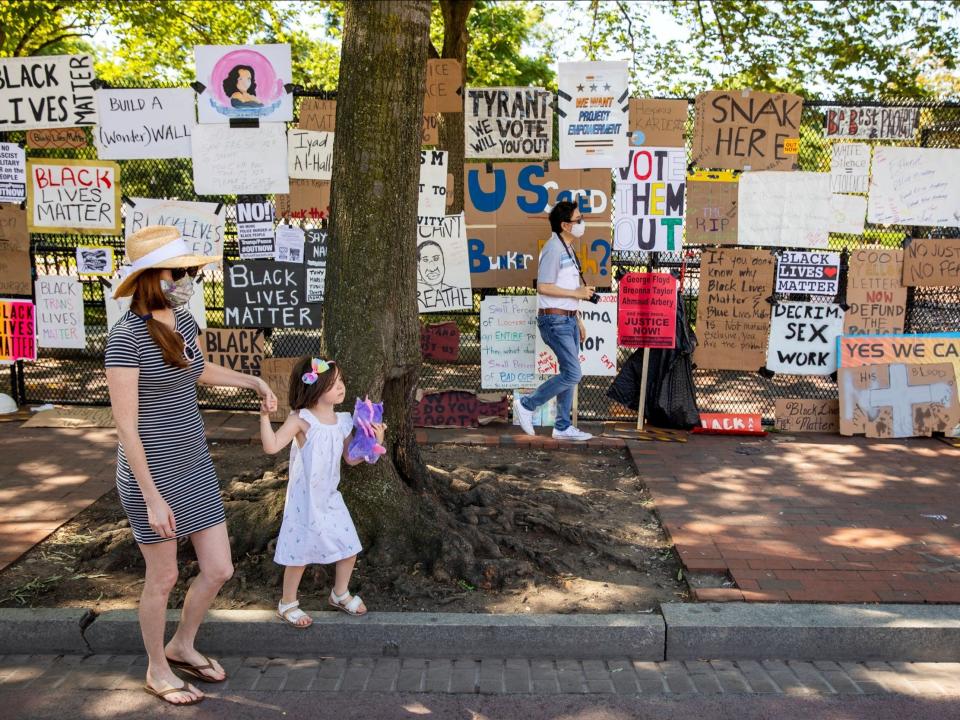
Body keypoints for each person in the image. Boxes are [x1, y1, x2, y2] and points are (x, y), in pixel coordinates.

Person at [105, 225, 277, 706]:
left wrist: (251, 381)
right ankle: (157, 667)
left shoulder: (179, 319)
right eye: (177, 272)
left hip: (193, 463)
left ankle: (182, 643)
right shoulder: (125, 338)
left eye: (188, 272)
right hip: (150, 473)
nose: (186, 279)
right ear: (149, 276)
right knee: (163, 577)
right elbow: (126, 429)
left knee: (219, 568)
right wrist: (151, 496)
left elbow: (198, 369)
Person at [259, 357, 385, 628]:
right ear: (315, 387)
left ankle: (339, 593)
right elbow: (271, 446)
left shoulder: (342, 420)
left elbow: (351, 458)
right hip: (305, 502)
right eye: (334, 382)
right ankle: (287, 603)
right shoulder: (301, 420)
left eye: (341, 381)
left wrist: (375, 441)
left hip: (329, 497)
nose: (341, 387)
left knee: (349, 546)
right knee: (299, 554)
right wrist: (264, 417)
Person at [513, 200, 596, 441]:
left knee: (569, 371)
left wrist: (577, 317)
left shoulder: (567, 248)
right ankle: (527, 404)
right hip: (555, 322)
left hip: (567, 320)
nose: (582, 223)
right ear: (565, 225)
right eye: (578, 220)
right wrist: (576, 294)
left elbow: (566, 287)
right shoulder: (553, 249)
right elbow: (544, 287)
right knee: (572, 374)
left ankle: (562, 426)